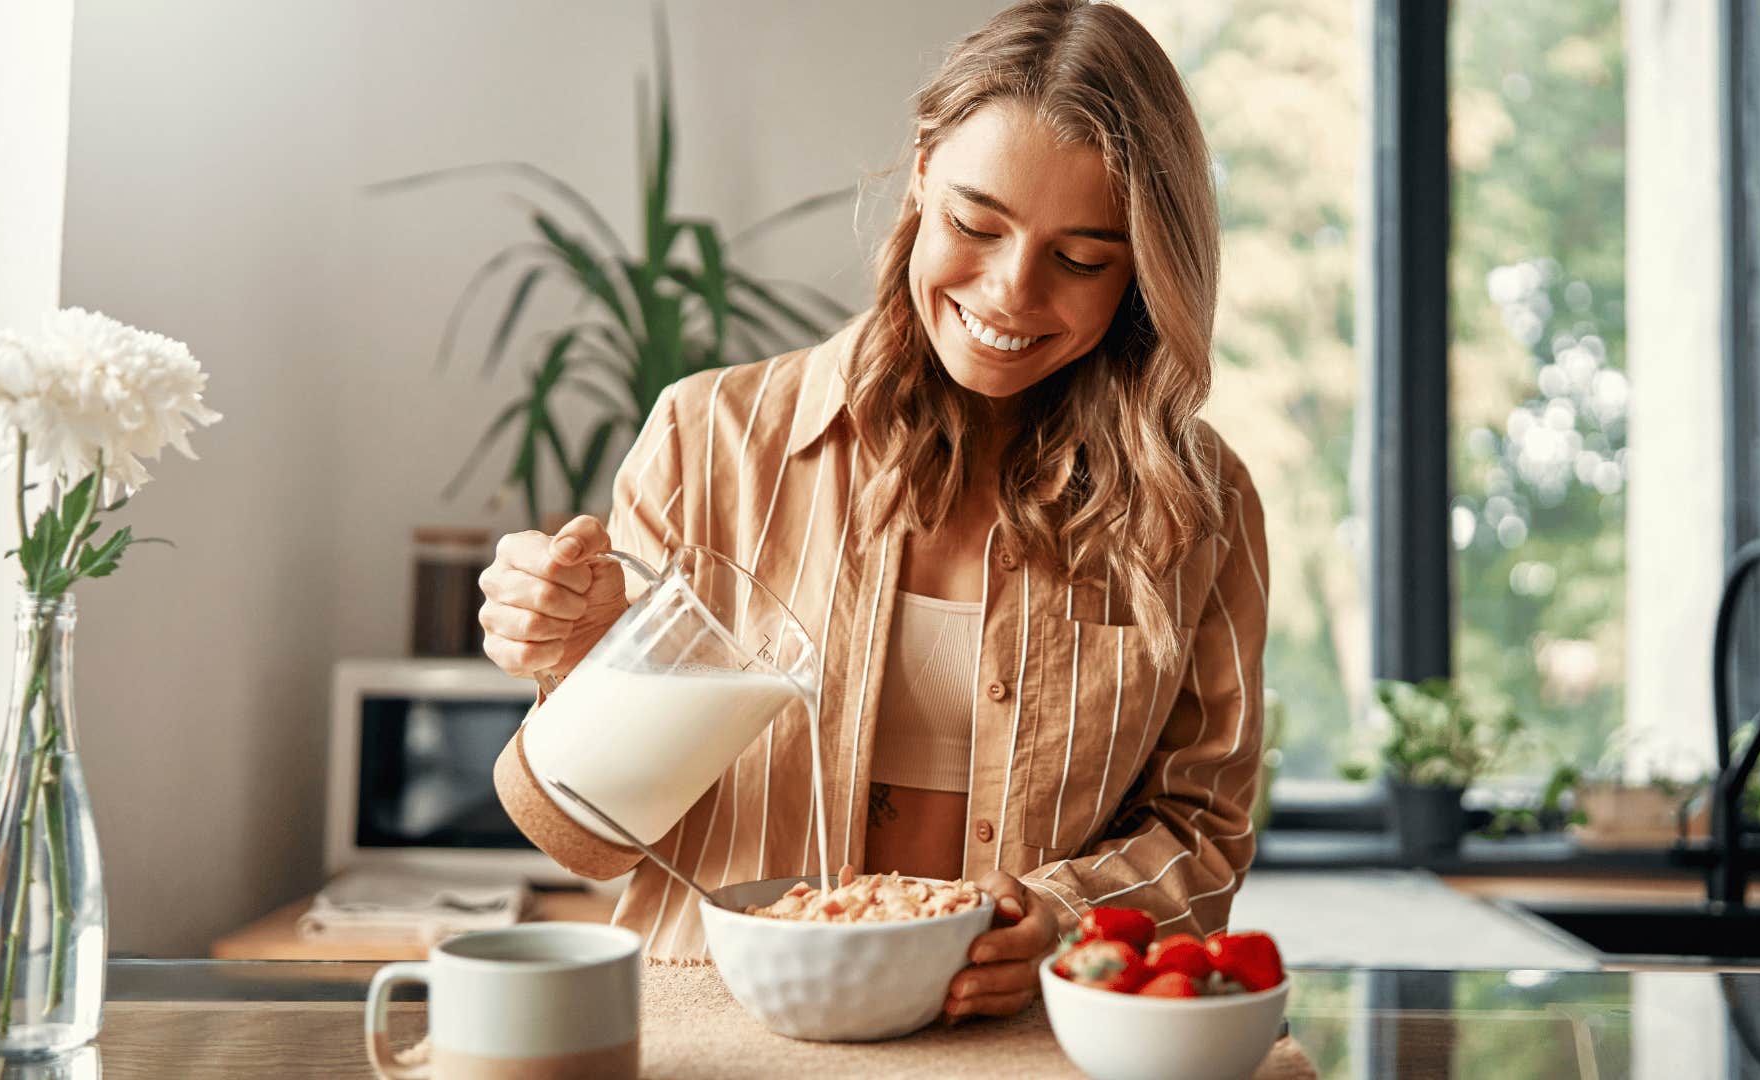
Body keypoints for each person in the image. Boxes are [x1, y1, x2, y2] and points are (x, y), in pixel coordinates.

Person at [479, 0, 1267, 1023]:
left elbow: (1205, 830)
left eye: (1081, 259)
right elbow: (578, 838)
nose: (1011, 292)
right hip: (717, 1027)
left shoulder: (1196, 505)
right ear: (923, 170)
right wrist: (579, 668)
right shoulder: (707, 438)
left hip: (1006, 1043)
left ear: (1143, 273)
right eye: (975, 225)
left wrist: (1060, 912)